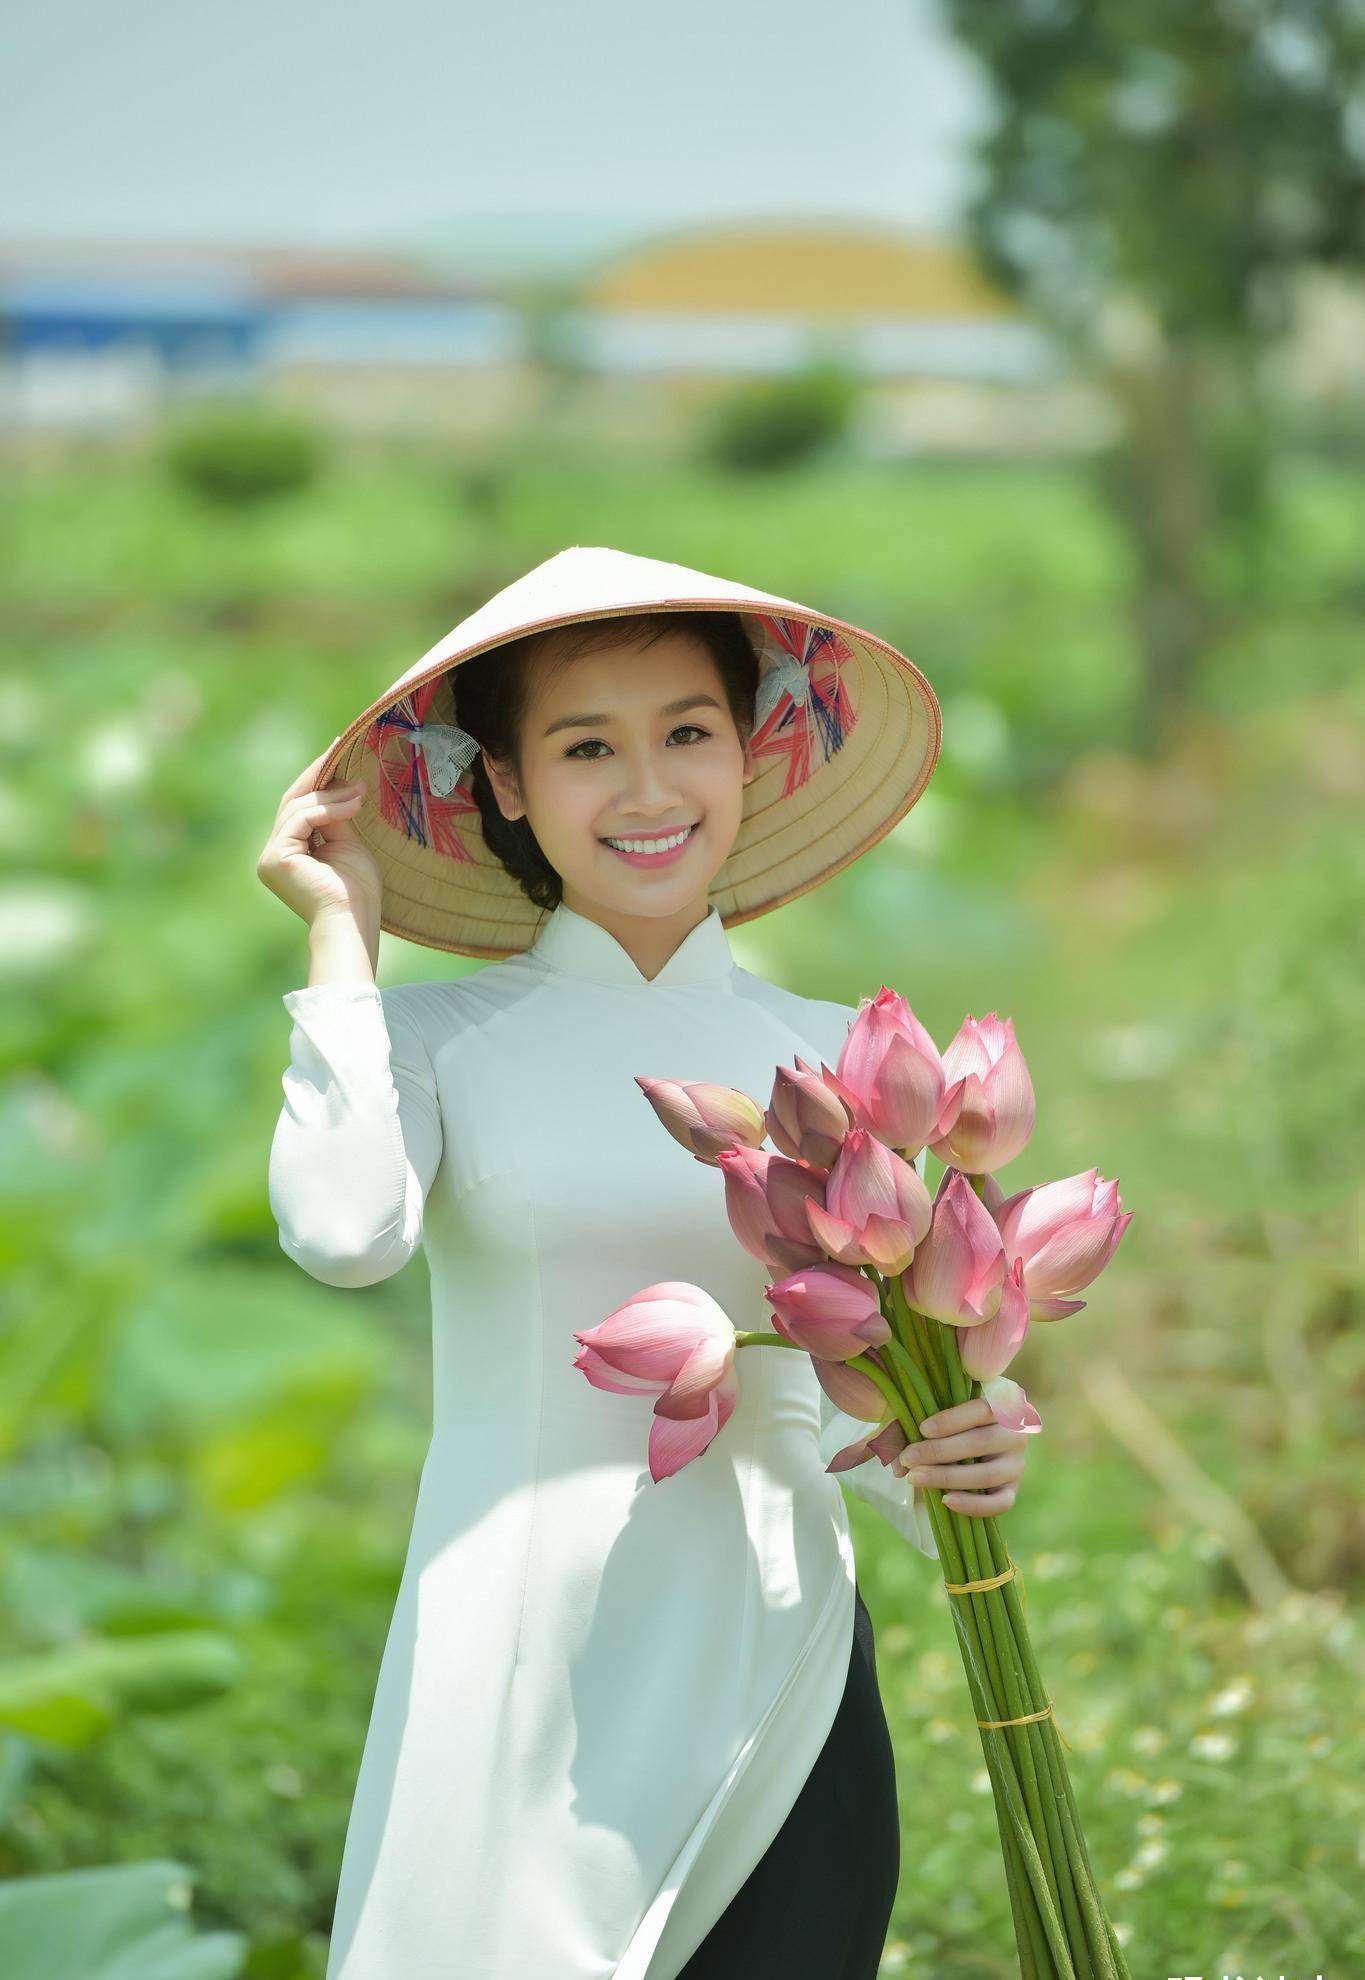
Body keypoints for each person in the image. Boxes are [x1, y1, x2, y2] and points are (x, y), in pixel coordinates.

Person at [257, 545, 1030, 1980]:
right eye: (585, 747)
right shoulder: (430, 1044)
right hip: (523, 1668)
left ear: (750, 752)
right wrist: (341, 945)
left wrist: (968, 1461)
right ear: (500, 782)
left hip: (781, 1655)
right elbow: (344, 1235)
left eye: (687, 733)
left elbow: (897, 1398)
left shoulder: (835, 1060)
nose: (648, 789)